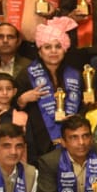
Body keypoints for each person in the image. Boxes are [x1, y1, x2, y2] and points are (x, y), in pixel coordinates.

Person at [15, 17, 84, 161]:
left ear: (64, 49)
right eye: (47, 47)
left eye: (58, 47)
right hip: (38, 140)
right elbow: (12, 105)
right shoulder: (27, 74)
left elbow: (82, 105)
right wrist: (22, 100)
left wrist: (76, 117)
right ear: (40, 52)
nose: (53, 51)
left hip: (72, 138)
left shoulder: (75, 75)